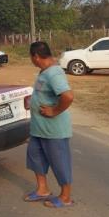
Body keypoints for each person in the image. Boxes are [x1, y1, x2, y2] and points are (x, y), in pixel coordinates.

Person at [24, 41, 75, 208]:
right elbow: (43, 93)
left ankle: (65, 197)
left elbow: (67, 96)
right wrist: (32, 101)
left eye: (31, 57)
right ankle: (42, 189)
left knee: (59, 162)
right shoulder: (44, 72)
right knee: (35, 157)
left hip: (53, 130)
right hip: (39, 129)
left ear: (36, 57)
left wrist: (54, 111)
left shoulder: (54, 74)